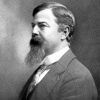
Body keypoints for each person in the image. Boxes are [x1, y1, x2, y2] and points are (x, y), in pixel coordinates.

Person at [19, 2, 98, 100]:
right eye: (33, 26)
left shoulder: (77, 77)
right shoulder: (42, 69)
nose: (34, 31)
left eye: (42, 25)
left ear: (64, 33)